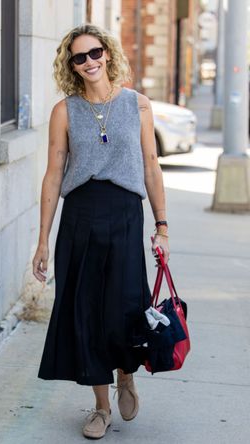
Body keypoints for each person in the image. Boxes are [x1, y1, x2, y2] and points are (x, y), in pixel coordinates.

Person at [32, 23, 170, 440]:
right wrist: (42, 240)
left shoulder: (138, 105)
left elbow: (150, 166)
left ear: (107, 54)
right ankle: (100, 407)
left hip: (126, 216)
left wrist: (162, 225)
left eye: (95, 53)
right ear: (71, 65)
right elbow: (54, 175)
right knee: (86, 312)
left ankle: (125, 373)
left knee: (125, 307)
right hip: (80, 219)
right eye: (79, 57)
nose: (89, 62)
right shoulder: (65, 111)